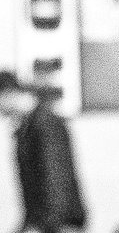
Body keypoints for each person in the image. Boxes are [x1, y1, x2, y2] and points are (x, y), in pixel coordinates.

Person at [0, 69, 87, 233]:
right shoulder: (28, 127)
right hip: (49, 223)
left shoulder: (44, 124)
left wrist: (43, 226)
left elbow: (56, 179)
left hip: (61, 225)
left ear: (7, 93)